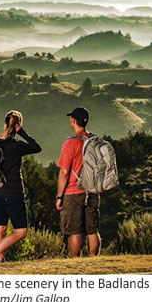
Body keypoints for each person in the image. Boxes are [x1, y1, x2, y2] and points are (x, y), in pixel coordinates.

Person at [0, 110, 42, 263]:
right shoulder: (17, 146)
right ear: (17, 125)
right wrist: (22, 132)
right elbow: (37, 147)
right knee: (21, 232)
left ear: (4, 123)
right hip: (13, 192)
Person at [55, 107, 101, 257]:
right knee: (92, 229)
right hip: (92, 191)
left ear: (73, 121)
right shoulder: (95, 141)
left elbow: (64, 172)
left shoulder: (70, 144)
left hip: (74, 192)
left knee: (75, 231)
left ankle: (75, 262)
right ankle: (94, 260)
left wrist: (59, 197)